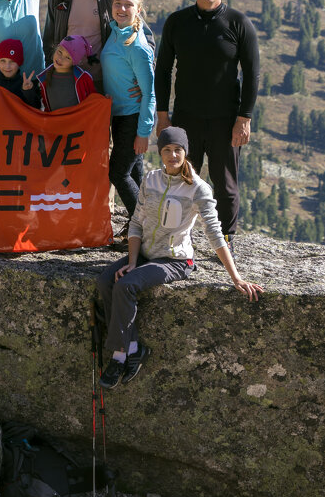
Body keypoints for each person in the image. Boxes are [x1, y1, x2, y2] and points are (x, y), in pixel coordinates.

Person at [94, 127, 262, 389]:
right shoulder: (150, 179)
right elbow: (137, 222)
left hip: (175, 261)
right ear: (160, 152)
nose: (172, 155)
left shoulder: (198, 188)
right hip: (145, 254)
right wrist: (131, 261)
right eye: (166, 150)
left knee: (126, 285)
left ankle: (118, 356)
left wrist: (236, 277)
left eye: (177, 150)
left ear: (185, 152)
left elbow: (215, 234)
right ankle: (135, 347)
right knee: (106, 281)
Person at [154, 0, 260, 244]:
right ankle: (175, 239)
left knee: (225, 186)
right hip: (185, 118)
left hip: (225, 120)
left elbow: (252, 74)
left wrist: (244, 118)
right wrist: (163, 115)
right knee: (180, 179)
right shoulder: (178, 22)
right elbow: (162, 70)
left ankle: (226, 241)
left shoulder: (238, 24)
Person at [99, 0, 155, 229]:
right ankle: (150, 228)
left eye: (128, 5)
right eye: (117, 4)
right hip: (119, 115)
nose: (122, 9)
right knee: (135, 175)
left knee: (118, 173)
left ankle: (141, 228)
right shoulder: (115, 31)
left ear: (138, 9)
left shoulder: (138, 47)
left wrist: (144, 133)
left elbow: (150, 93)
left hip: (132, 118)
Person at [35, 34, 95, 111]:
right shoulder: (44, 76)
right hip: (54, 122)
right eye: (60, 52)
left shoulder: (83, 78)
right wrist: (28, 91)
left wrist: (104, 100)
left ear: (74, 62)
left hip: (77, 122)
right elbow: (45, 105)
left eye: (68, 57)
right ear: (55, 48)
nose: (60, 59)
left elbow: (94, 101)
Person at [0, 38, 40, 107]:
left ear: (19, 63)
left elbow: (36, 108)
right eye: (3, 61)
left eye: (12, 61)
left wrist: (28, 92)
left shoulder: (24, 83)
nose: (7, 66)